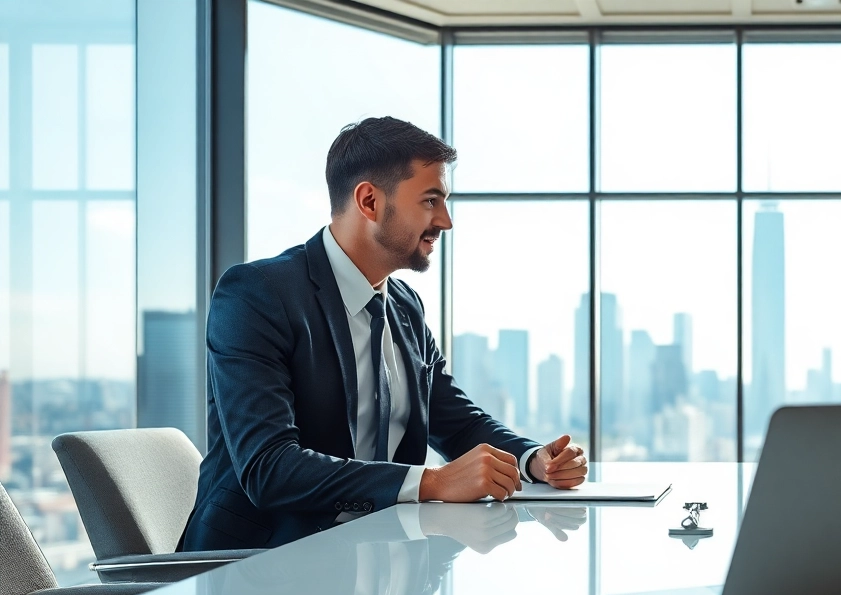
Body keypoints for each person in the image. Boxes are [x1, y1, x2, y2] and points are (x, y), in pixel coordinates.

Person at [180, 117, 588, 552]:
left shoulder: (404, 306)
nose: (445, 221)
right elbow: (269, 468)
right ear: (370, 201)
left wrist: (532, 460)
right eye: (430, 201)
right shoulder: (257, 294)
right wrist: (431, 482)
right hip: (256, 565)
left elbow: (456, 422)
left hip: (379, 556)